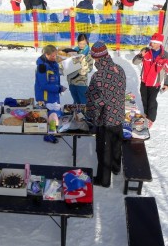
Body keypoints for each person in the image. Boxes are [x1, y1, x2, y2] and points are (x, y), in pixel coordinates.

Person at [86, 41, 126, 188]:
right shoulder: (119, 69)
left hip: (106, 119)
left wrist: (92, 117)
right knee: (116, 145)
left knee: (103, 150)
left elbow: (95, 102)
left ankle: (104, 180)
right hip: (119, 115)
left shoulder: (98, 76)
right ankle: (116, 168)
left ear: (96, 58)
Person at [132, 33, 168, 128]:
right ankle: (146, 114)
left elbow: (167, 71)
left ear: (159, 43)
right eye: (151, 42)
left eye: (154, 43)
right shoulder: (146, 51)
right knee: (144, 99)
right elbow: (135, 62)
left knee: (152, 101)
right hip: (144, 81)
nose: (151, 44)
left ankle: (151, 119)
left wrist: (166, 84)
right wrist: (140, 55)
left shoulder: (165, 56)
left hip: (155, 83)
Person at [34, 45, 67, 143]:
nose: (55, 57)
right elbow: (43, 85)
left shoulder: (53, 64)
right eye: (52, 56)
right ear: (46, 55)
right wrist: (59, 88)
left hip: (53, 94)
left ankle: (53, 131)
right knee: (52, 115)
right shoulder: (42, 67)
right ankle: (49, 135)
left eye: (55, 55)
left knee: (56, 113)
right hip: (46, 96)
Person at [67, 33, 93, 104]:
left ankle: (84, 115)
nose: (82, 45)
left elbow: (90, 68)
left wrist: (82, 67)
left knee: (83, 103)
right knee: (76, 102)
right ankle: (77, 114)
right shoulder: (74, 51)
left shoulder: (88, 54)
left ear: (87, 42)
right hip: (72, 81)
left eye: (84, 44)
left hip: (81, 82)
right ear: (77, 42)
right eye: (80, 43)